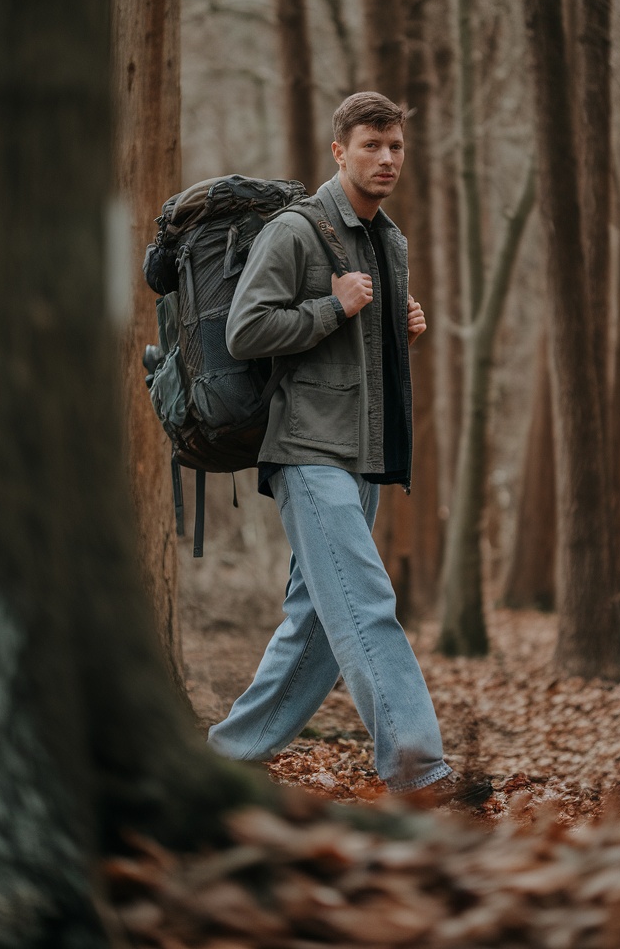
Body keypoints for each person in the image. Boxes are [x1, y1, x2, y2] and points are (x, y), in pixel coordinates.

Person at [208, 91, 491, 805]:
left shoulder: (388, 240)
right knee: (366, 602)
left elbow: (356, 355)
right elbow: (246, 331)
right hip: (306, 450)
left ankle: (226, 757)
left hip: (362, 454)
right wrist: (334, 306)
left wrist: (405, 335)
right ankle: (420, 770)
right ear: (339, 151)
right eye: (372, 144)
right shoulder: (296, 231)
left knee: (311, 628)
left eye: (395, 146)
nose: (387, 158)